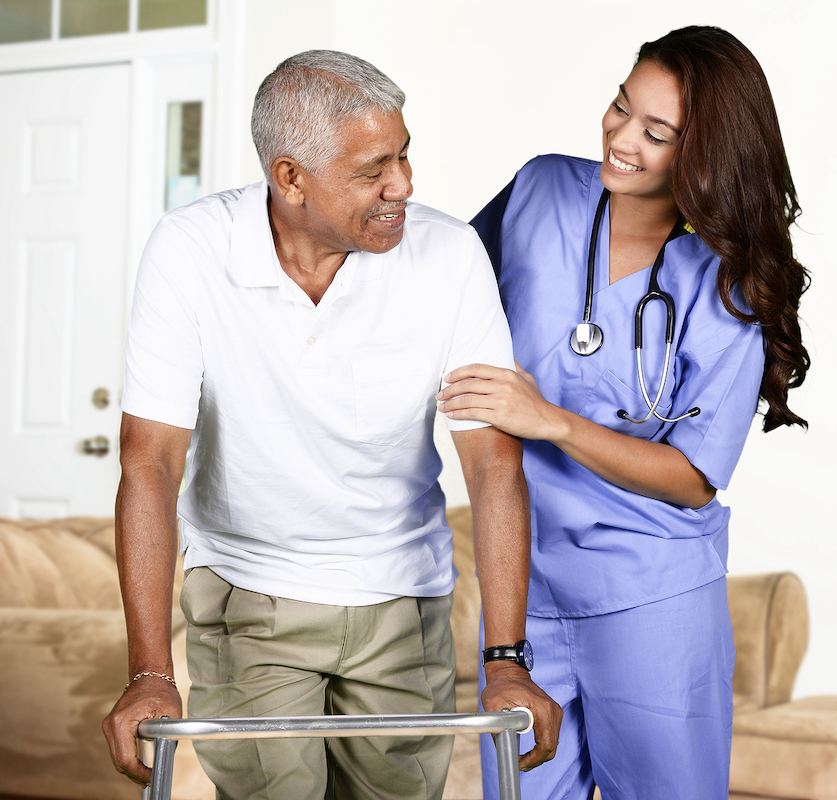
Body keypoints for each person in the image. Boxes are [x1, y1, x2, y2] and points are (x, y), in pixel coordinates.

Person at [101, 50, 561, 800]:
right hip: (250, 594)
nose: (403, 186)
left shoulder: (449, 256)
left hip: (401, 598)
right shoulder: (190, 251)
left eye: (406, 155)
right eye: (373, 168)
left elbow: (492, 466)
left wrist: (506, 656)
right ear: (290, 178)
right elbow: (149, 463)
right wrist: (150, 674)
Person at [437, 25, 810, 800]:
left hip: (651, 596)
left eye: (657, 132)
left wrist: (553, 421)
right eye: (619, 107)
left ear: (704, 154)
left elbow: (693, 476)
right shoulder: (540, 190)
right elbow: (433, 294)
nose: (621, 137)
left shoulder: (731, 283)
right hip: (523, 590)